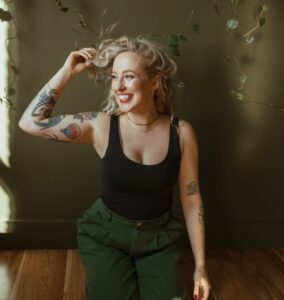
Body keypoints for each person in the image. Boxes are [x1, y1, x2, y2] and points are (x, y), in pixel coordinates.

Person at [18, 35, 211, 300]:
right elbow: (30, 123)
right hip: (105, 236)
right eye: (114, 77)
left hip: (159, 240)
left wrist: (200, 267)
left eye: (129, 76)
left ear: (154, 83)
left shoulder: (182, 133)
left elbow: (191, 199)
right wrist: (67, 72)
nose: (118, 86)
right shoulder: (100, 125)